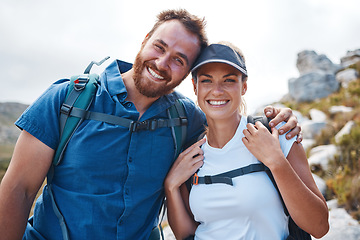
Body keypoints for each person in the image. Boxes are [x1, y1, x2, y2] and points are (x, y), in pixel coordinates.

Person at [0, 10, 301, 240]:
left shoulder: (186, 119)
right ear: (145, 40)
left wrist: (277, 116)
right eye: (159, 47)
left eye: (179, 60)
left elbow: (227, 120)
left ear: (187, 76)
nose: (162, 63)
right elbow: (19, 190)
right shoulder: (67, 100)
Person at [164, 42, 329, 240]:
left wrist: (276, 162)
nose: (217, 91)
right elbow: (187, 234)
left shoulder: (276, 133)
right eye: (207, 81)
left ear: (244, 86)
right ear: (195, 87)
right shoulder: (191, 153)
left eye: (229, 80)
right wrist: (171, 186)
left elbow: (319, 227)